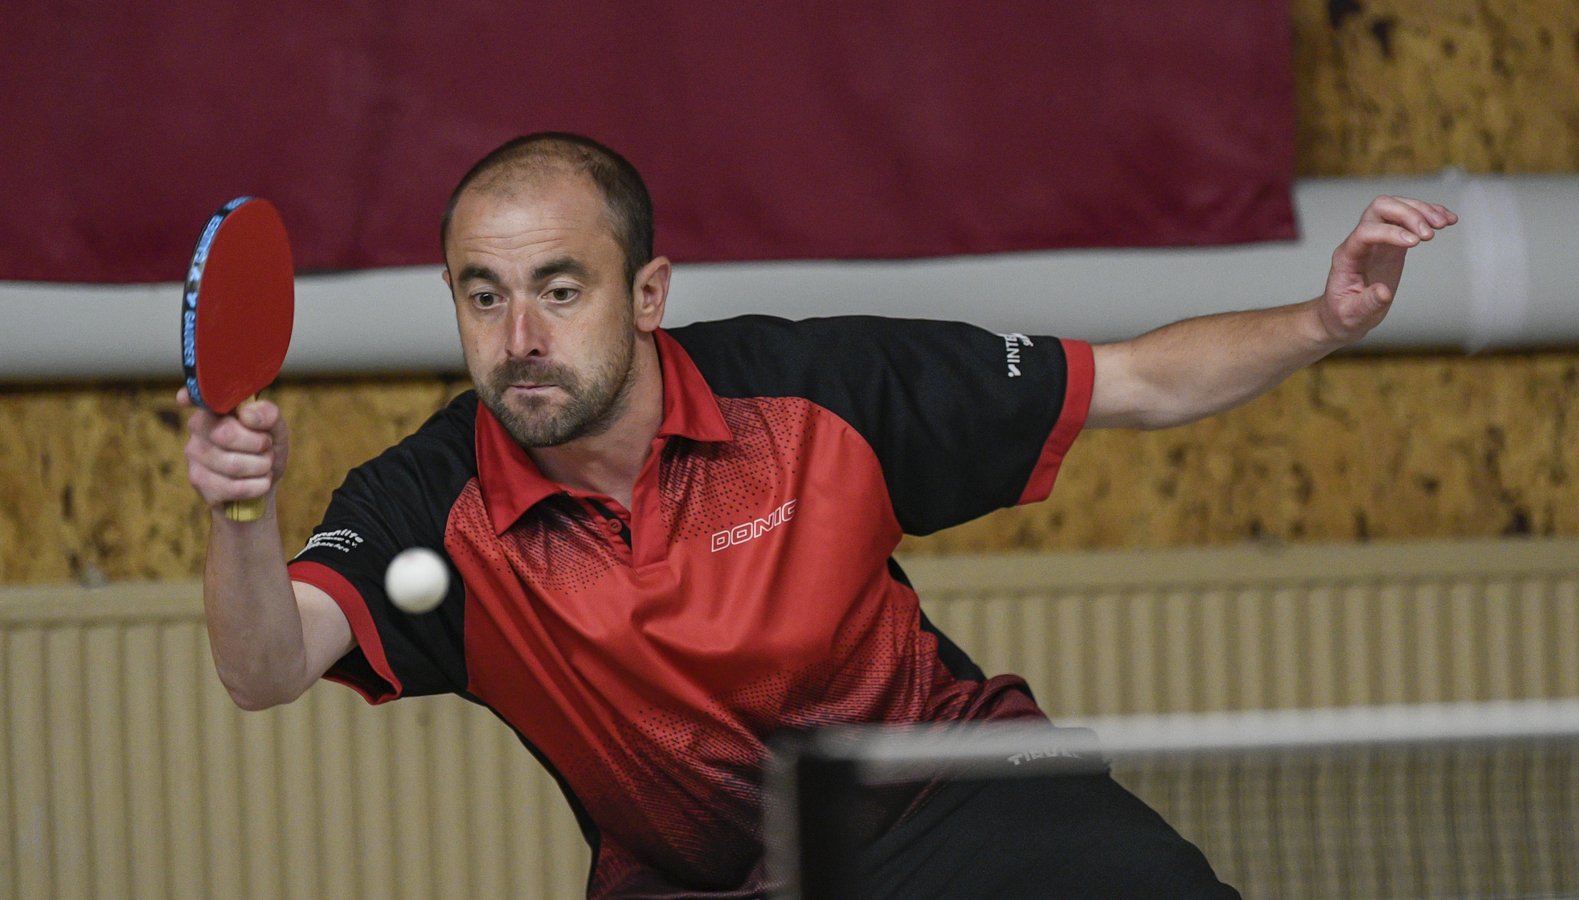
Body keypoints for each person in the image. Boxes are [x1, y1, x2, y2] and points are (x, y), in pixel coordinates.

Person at [180, 132, 1456, 898]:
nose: (520, 339)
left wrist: (1322, 319)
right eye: (484, 295)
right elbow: (264, 667)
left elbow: (1135, 380)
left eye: (560, 289)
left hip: (958, 803)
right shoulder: (426, 503)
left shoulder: (819, 391)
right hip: (700, 880)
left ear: (648, 293)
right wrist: (240, 516)